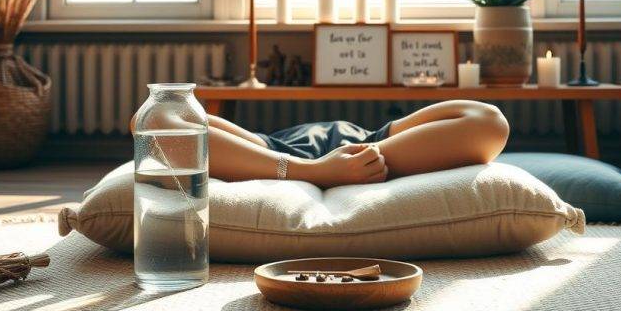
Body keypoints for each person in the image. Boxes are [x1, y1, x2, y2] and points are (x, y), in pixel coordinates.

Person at [207, 100, 509, 188]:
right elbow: (163, 126)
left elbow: (486, 120)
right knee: (163, 119)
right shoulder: (266, 149)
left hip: (371, 146)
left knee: (490, 122)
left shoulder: (377, 142)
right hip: (271, 151)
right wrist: (316, 171)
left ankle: (344, 168)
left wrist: (360, 158)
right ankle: (314, 171)